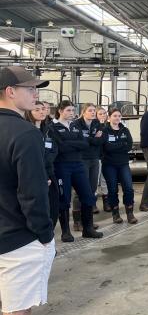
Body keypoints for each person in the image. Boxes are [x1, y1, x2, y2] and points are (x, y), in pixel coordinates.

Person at [0, 66, 54, 315]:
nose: (36, 94)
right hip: (18, 241)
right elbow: (32, 195)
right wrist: (44, 234)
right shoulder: (25, 134)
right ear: (10, 92)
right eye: (30, 89)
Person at [49, 100, 102, 242]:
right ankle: (66, 232)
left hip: (78, 165)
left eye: (73, 110)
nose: (71, 113)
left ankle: (88, 229)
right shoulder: (52, 127)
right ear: (60, 111)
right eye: (68, 110)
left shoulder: (75, 126)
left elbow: (85, 144)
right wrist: (75, 144)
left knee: (88, 196)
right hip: (62, 166)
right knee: (64, 199)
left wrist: (69, 144)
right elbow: (60, 147)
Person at [25, 102, 61, 229]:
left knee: (54, 203)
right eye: (37, 109)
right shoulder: (27, 130)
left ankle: (50, 233)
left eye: (43, 109)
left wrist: (46, 161)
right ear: (29, 112)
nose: (41, 112)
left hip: (49, 169)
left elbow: (54, 149)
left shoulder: (48, 129)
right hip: (35, 173)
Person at [72, 104, 105, 226]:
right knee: (80, 190)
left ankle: (88, 221)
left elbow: (101, 141)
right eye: (90, 111)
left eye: (94, 111)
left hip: (94, 159)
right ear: (83, 112)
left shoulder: (97, 124)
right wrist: (93, 139)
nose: (92, 113)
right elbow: (79, 141)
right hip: (81, 159)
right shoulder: (76, 124)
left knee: (91, 190)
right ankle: (77, 222)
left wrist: (90, 139)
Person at [102, 109, 136, 224]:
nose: (117, 118)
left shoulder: (125, 130)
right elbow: (106, 147)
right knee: (112, 190)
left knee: (128, 188)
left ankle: (130, 213)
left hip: (123, 164)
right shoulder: (104, 130)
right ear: (109, 117)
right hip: (109, 164)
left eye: (119, 116)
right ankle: (115, 214)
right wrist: (121, 144)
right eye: (115, 116)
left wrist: (115, 146)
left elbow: (129, 145)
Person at [95, 107, 109, 209]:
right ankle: (93, 203)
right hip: (96, 156)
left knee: (105, 179)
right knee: (94, 180)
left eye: (104, 113)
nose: (102, 115)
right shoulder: (94, 126)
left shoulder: (108, 126)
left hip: (106, 157)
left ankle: (106, 202)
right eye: (100, 114)